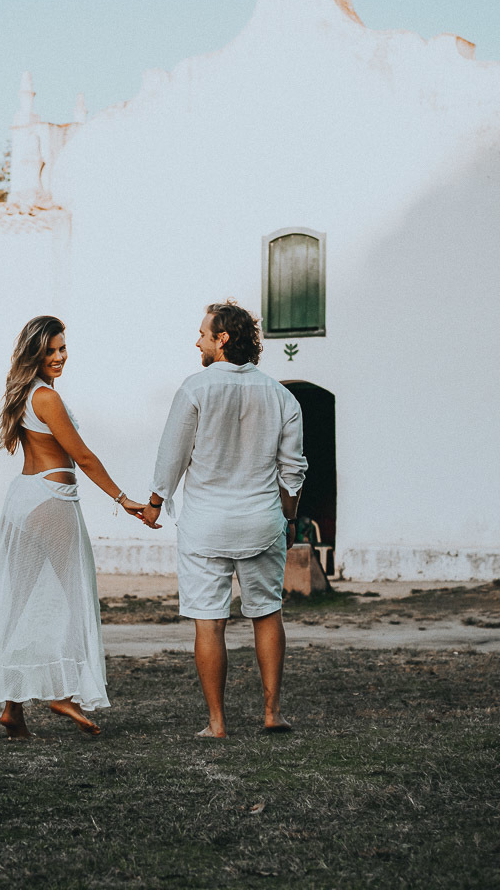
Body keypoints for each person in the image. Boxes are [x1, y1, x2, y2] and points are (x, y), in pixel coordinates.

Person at [0, 315, 143, 739]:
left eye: (62, 348)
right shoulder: (47, 398)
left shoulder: (25, 394)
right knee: (74, 597)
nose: (59, 357)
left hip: (24, 499)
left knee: (17, 606)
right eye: (50, 351)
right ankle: (63, 694)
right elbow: (83, 457)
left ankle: (12, 709)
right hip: (52, 500)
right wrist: (123, 499)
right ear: (34, 354)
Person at [141, 301, 307, 738]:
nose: (196, 341)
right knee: (267, 613)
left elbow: (172, 455)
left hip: (206, 526)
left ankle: (216, 723)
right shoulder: (281, 396)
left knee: (209, 622)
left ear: (222, 339)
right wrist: (290, 518)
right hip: (262, 521)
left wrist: (155, 502)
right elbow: (293, 470)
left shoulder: (195, 389)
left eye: (202, 334)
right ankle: (272, 712)